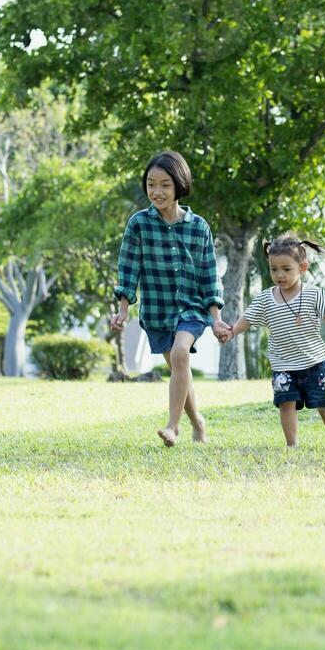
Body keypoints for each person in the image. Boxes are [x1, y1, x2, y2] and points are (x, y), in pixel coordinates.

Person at [110, 151, 231, 446]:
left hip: (191, 309)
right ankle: (197, 422)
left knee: (179, 355)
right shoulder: (138, 224)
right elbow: (129, 268)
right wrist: (123, 310)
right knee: (180, 367)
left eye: (164, 184)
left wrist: (216, 318)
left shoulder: (198, 226)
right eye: (151, 184)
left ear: (179, 184)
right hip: (157, 311)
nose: (157, 191)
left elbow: (209, 273)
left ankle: (172, 427)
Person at [219, 234, 325, 447]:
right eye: (274, 269)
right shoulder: (265, 299)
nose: (279, 274)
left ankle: (323, 410)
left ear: (302, 267)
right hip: (283, 365)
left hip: (314, 361)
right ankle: (292, 444)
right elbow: (248, 318)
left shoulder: (314, 294)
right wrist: (232, 331)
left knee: (320, 396)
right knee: (286, 403)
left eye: (286, 269)